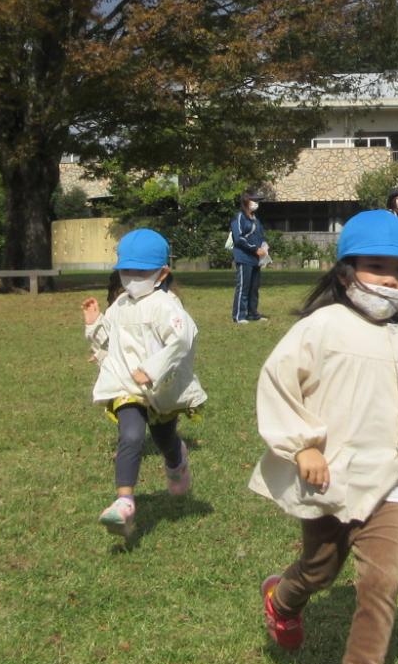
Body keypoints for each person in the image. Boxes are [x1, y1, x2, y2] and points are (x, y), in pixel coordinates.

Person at [251, 210, 398, 664]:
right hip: (329, 476)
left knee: (381, 582)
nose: (389, 280)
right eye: (375, 267)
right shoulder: (320, 328)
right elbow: (278, 383)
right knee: (319, 569)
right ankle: (283, 600)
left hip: (390, 479)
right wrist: (303, 446)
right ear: (345, 273)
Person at [82, 228, 205, 535]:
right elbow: (110, 340)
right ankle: (124, 502)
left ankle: (176, 462)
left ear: (162, 273)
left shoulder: (167, 306)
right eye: (126, 271)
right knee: (132, 435)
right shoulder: (120, 305)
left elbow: (182, 340)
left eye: (141, 271)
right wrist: (94, 326)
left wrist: (152, 369)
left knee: (164, 437)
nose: (132, 277)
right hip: (126, 386)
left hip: (159, 388)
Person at [229, 190, 270, 324]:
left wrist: (264, 246)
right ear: (246, 201)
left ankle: (253, 314)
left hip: (256, 259)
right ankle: (239, 316)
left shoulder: (255, 219)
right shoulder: (239, 217)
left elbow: (260, 236)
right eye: (254, 200)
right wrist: (254, 249)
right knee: (243, 287)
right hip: (244, 257)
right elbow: (238, 238)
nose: (257, 203)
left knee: (254, 287)